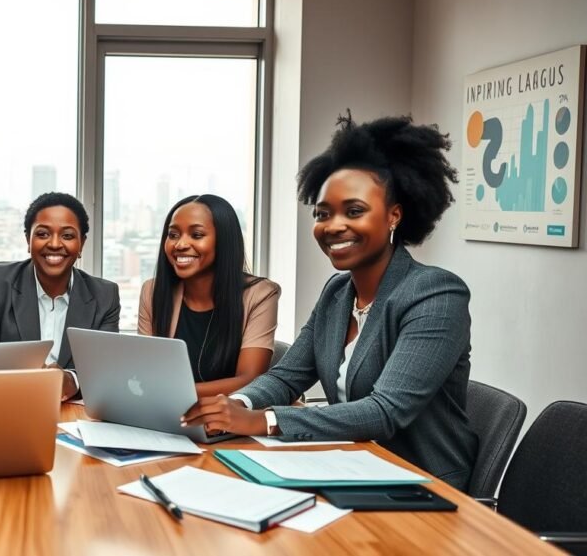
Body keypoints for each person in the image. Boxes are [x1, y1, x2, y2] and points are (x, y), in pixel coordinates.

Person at [182, 114, 478, 491]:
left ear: (394, 216)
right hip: (349, 465)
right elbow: (286, 377)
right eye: (323, 214)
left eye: (354, 211)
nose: (333, 226)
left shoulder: (436, 294)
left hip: (421, 485)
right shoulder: (337, 293)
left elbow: (385, 411)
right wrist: (239, 404)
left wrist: (265, 420)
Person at [0, 192, 120, 401]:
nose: (55, 244)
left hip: (71, 413)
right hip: (7, 404)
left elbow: (106, 373)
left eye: (67, 235)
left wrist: (70, 380)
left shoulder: (105, 296)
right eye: (42, 234)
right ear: (27, 240)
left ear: (82, 244)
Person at [138, 194, 280, 397]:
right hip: (165, 414)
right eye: (173, 235)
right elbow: (144, 371)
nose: (180, 245)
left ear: (224, 241)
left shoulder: (260, 294)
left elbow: (250, 380)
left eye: (196, 235)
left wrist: (173, 393)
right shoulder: (152, 291)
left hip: (228, 418)